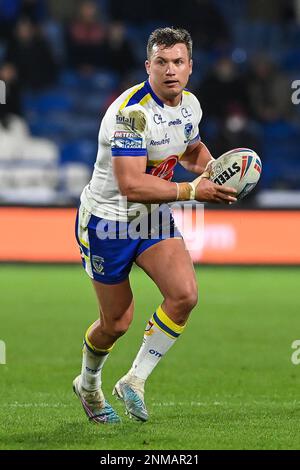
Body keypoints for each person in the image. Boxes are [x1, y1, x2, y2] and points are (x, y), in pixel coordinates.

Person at [73, 27, 237, 424]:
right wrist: (192, 191)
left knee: (184, 295)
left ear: (190, 67)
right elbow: (131, 184)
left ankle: (135, 380)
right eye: (161, 62)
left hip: (151, 219)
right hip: (108, 223)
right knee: (117, 323)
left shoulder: (191, 106)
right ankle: (89, 383)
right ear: (148, 66)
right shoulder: (131, 113)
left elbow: (192, 149)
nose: (170, 70)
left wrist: (216, 172)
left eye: (178, 62)